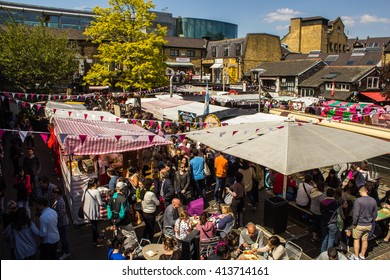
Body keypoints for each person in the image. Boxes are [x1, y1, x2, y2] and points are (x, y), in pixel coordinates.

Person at [351, 186, 377, 260]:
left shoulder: (358, 200)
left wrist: (354, 223)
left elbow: (355, 214)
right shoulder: (373, 200)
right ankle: (362, 255)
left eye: (359, 192)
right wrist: (372, 220)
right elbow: (375, 214)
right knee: (365, 240)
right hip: (368, 224)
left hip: (359, 224)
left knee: (356, 240)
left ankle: (356, 256)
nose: (359, 193)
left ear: (361, 191)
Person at [82, 178, 103, 246]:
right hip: (93, 211)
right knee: (94, 226)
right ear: (94, 184)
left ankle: (98, 237)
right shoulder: (96, 191)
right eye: (98, 182)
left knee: (93, 225)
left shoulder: (86, 190)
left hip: (87, 210)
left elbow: (82, 199)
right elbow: (100, 203)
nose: (99, 183)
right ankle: (95, 240)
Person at [52, 187, 70, 260]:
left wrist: (53, 217)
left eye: (54, 193)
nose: (53, 194)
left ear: (57, 194)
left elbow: (61, 214)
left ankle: (67, 252)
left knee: (64, 239)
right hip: (60, 223)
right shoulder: (57, 200)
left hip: (62, 223)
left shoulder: (60, 202)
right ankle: (64, 249)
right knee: (62, 238)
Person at [320, 188, 340, 252]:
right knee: (331, 239)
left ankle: (322, 252)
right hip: (333, 223)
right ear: (333, 194)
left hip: (324, 222)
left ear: (326, 193)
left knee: (324, 238)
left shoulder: (322, 202)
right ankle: (329, 253)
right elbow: (339, 214)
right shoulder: (336, 203)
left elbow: (321, 212)